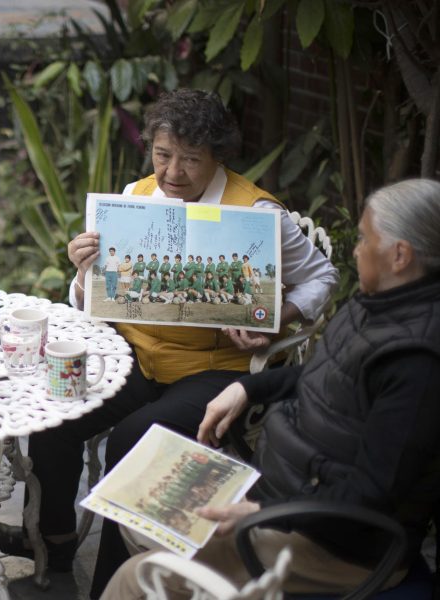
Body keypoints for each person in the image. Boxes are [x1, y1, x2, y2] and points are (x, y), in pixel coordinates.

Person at [0, 89, 337, 587]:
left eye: (190, 160)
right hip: (133, 357)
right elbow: (89, 303)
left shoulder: (257, 213)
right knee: (56, 415)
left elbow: (322, 277)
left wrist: (276, 317)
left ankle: (117, 584)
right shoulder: (135, 201)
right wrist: (84, 270)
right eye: (162, 155)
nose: (172, 172)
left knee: (137, 439)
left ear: (219, 156)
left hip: (213, 371)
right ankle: (53, 545)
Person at [103, 178, 440, 599]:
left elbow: (372, 493)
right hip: (286, 493)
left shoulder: (418, 359)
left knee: (136, 577)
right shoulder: (382, 305)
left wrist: (260, 512)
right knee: (135, 510)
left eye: (363, 239)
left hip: (333, 544)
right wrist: (248, 388)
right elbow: (326, 377)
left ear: (400, 255)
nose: (356, 249)